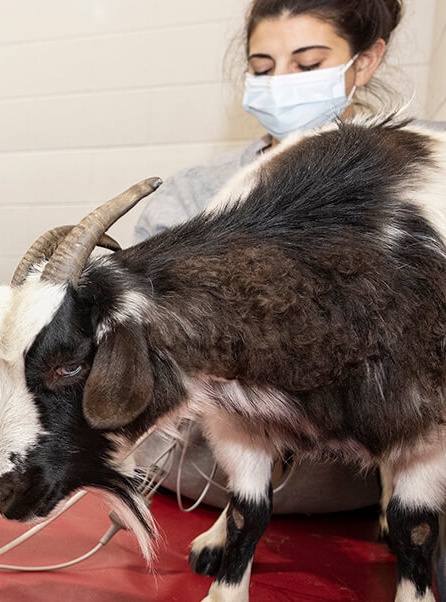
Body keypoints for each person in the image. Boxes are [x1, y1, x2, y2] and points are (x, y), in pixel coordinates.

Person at [133, 0, 446, 513]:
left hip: (354, 503)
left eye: (307, 66)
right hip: (199, 490)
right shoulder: (197, 199)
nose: (280, 84)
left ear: (364, 62)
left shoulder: (422, 177)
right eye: (262, 69)